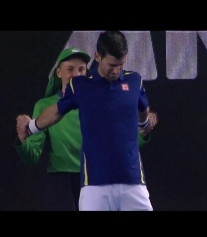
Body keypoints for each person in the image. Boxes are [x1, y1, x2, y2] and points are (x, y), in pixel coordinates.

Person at [15, 47, 157, 211]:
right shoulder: (44, 107)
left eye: (81, 69)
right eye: (70, 69)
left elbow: (123, 143)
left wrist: (143, 132)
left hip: (95, 177)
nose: (76, 75)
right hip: (63, 182)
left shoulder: (98, 101)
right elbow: (32, 155)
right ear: (58, 72)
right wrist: (23, 140)